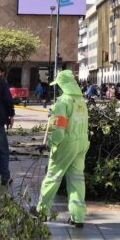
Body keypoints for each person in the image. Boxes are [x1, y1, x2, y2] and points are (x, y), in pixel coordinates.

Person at [36, 70, 89, 227]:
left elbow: (59, 132)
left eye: (58, 85)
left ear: (63, 85)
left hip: (66, 144)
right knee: (77, 180)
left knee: (53, 177)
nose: (57, 88)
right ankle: (78, 217)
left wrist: (49, 144)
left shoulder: (63, 101)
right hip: (82, 144)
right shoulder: (81, 101)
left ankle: (41, 212)